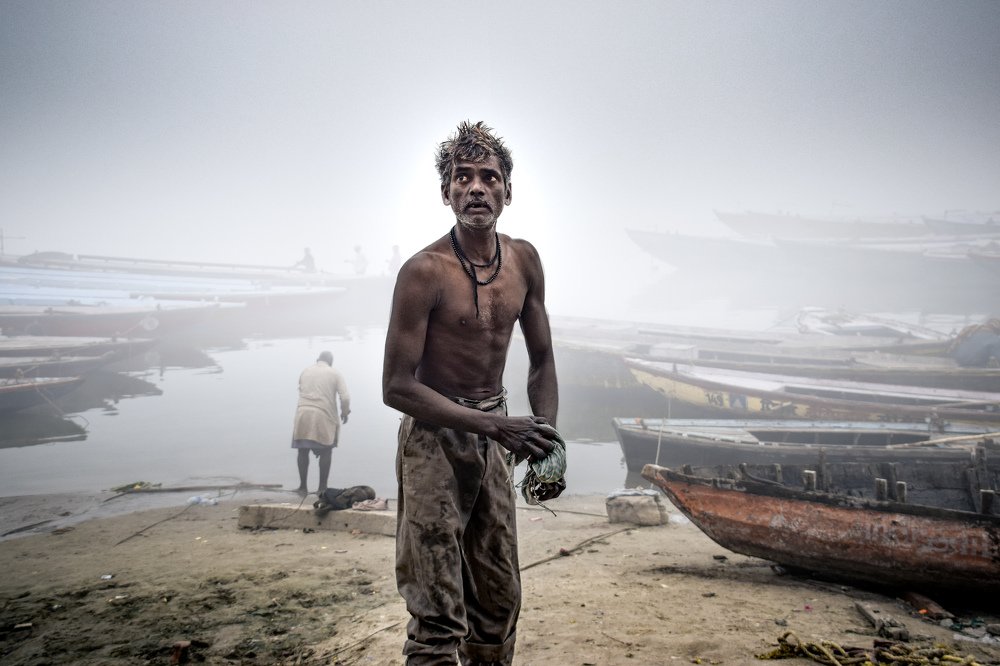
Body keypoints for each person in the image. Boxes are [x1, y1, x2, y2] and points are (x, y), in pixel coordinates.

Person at [382, 120, 564, 665]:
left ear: (508, 190)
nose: (476, 187)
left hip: (495, 435)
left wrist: (546, 440)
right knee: (437, 607)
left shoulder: (524, 260)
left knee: (499, 597)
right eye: (463, 177)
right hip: (434, 440)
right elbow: (396, 386)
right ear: (446, 192)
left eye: (489, 177)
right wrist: (495, 428)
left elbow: (543, 358)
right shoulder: (424, 272)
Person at [291, 351, 350, 495]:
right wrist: (344, 412)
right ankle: (322, 488)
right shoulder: (335, 373)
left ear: (317, 360)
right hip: (323, 416)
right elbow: (345, 397)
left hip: (303, 414)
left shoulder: (306, 371)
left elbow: (301, 389)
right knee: (326, 450)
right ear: (331, 362)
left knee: (302, 450)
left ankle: (302, 487)